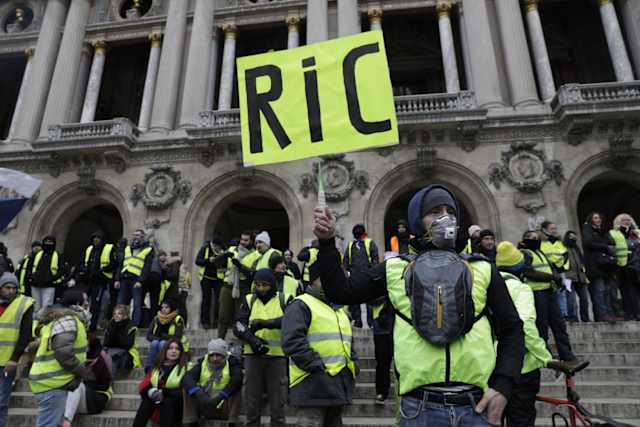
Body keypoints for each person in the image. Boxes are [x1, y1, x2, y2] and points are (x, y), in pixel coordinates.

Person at [313, 185, 525, 426]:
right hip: (419, 408)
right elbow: (341, 291)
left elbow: (512, 328)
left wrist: (503, 386)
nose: (445, 218)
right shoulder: (395, 268)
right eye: (435, 211)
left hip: (476, 406)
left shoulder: (482, 268)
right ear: (417, 221)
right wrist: (328, 242)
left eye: (450, 211)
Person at [282, 260, 358, 426]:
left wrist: (354, 365)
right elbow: (292, 342)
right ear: (314, 280)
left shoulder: (339, 309)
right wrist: (318, 367)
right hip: (312, 387)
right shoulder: (300, 304)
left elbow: (348, 345)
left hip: (337, 388)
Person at [495, 242, 553, 427]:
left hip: (489, 366)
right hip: (521, 367)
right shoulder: (520, 289)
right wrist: (543, 355)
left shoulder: (485, 286)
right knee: (521, 418)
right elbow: (525, 325)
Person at [29, 289, 92, 427]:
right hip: (52, 382)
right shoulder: (69, 320)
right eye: (85, 300)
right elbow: (63, 351)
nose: (87, 303)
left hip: (50, 381)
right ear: (77, 303)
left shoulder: (62, 320)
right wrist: (81, 371)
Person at [234, 268, 287, 427]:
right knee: (251, 400)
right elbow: (238, 325)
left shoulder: (283, 299)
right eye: (258, 285)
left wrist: (266, 324)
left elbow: (291, 320)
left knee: (278, 402)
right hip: (253, 355)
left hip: (277, 357)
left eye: (265, 285)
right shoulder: (249, 299)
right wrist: (252, 339)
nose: (261, 289)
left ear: (272, 285)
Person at [519, 230, 580, 367]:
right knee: (542, 327)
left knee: (559, 324)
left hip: (549, 291)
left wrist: (557, 279)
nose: (536, 240)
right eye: (532, 238)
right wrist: (551, 277)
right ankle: (545, 357)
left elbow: (549, 269)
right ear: (525, 240)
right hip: (536, 293)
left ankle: (567, 355)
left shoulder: (540, 252)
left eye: (537, 237)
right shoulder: (525, 253)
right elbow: (529, 272)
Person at [182, 339, 243, 423]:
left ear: (224, 355)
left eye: (218, 355)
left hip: (223, 406)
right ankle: (191, 421)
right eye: (212, 355)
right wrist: (199, 394)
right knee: (188, 387)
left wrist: (221, 396)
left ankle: (232, 422)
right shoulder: (202, 363)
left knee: (236, 388)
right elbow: (187, 378)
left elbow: (237, 379)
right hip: (204, 403)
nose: (214, 358)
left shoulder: (232, 363)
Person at [0, 272, 33, 427]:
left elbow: (25, 335)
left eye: (14, 288)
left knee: (2, 401)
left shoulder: (24, 304)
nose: (11, 291)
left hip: (8, 362)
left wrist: (14, 358)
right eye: (7, 287)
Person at [133, 338, 190, 427]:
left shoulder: (187, 368)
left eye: (177, 349)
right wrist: (151, 392)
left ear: (181, 352)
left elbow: (184, 392)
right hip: (159, 405)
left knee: (168, 402)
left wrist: (164, 392)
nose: (173, 351)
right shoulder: (157, 367)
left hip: (178, 408)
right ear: (165, 351)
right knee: (147, 402)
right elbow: (144, 386)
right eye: (170, 348)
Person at [62, 338, 113, 427]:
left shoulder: (102, 360)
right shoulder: (75, 358)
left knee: (76, 385)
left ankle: (67, 421)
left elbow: (105, 385)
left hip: (95, 401)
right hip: (76, 400)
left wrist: (84, 382)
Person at [218, 231, 258, 340]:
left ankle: (240, 342)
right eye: (242, 239)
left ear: (251, 241)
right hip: (228, 285)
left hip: (243, 287)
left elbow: (252, 274)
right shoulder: (232, 250)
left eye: (246, 240)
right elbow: (218, 264)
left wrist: (240, 266)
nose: (243, 242)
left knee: (240, 318)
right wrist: (223, 256)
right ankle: (220, 340)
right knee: (223, 316)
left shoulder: (255, 255)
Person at [581, 212, 618, 322]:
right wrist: (606, 247)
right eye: (596, 218)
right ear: (591, 219)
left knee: (607, 291)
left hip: (606, 266)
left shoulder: (602, 231)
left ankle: (610, 314)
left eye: (599, 217)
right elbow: (588, 243)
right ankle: (602, 315)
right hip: (595, 266)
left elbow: (611, 243)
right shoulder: (587, 229)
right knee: (599, 291)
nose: (598, 219)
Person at [115, 229, 155, 327]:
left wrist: (141, 280)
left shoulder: (148, 249)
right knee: (120, 302)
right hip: (125, 277)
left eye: (138, 235)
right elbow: (121, 265)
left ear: (142, 237)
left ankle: (134, 324)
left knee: (137, 303)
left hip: (136, 279)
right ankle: (118, 322)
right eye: (134, 235)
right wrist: (117, 279)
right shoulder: (128, 248)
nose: (135, 237)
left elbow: (147, 267)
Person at [79, 231, 116, 332]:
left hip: (101, 281)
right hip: (88, 281)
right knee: (84, 303)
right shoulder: (89, 249)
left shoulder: (109, 248)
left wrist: (103, 269)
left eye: (98, 238)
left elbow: (114, 263)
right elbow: (82, 262)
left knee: (96, 305)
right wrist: (83, 270)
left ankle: (93, 326)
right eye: (94, 238)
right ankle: (83, 324)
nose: (96, 240)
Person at [343, 224, 379, 328]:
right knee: (356, 301)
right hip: (355, 276)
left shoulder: (369, 243)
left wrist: (373, 272)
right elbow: (345, 261)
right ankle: (358, 321)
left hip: (367, 276)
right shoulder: (351, 245)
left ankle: (370, 322)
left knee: (369, 300)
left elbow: (374, 258)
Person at [610, 213, 640, 320]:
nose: (627, 221)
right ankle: (631, 313)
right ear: (618, 222)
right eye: (623, 220)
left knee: (635, 290)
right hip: (623, 266)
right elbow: (611, 248)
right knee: (626, 291)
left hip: (637, 265)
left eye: (628, 219)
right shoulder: (613, 233)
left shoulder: (637, 232)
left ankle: (637, 312)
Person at [540, 221, 571, 319]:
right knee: (553, 293)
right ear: (545, 230)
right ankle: (555, 315)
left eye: (555, 228)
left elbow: (565, 254)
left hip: (561, 270)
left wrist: (561, 266)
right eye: (551, 229)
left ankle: (564, 314)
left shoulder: (559, 241)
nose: (554, 231)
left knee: (562, 292)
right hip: (549, 271)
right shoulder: (542, 243)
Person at [146, 299, 187, 371]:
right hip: (158, 340)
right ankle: (149, 368)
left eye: (166, 307)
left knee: (162, 344)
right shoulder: (156, 318)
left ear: (171, 308)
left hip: (172, 342)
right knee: (154, 343)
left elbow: (178, 336)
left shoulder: (177, 319)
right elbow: (148, 335)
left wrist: (164, 337)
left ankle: (160, 367)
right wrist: (157, 338)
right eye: (162, 307)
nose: (163, 310)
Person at [195, 237, 227, 329]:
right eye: (216, 246)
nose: (217, 249)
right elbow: (197, 261)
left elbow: (226, 263)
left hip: (218, 278)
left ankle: (217, 321)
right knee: (206, 300)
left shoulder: (223, 249)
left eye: (219, 247)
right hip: (206, 278)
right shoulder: (205, 247)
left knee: (219, 300)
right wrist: (208, 260)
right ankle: (205, 322)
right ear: (213, 244)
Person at [30, 235, 66, 314]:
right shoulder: (38, 255)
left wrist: (52, 279)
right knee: (35, 308)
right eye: (46, 241)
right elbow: (30, 267)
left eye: (50, 242)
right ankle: (34, 325)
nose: (48, 243)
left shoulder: (58, 255)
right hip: (35, 284)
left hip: (49, 286)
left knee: (46, 309)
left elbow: (62, 270)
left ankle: (43, 325)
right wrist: (32, 277)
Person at [103, 304, 141, 375]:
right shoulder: (111, 325)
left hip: (127, 353)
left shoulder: (131, 326)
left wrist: (117, 328)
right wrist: (114, 329)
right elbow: (106, 343)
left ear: (125, 316)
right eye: (114, 314)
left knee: (113, 358)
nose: (116, 316)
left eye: (119, 314)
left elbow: (127, 345)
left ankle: (107, 383)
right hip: (111, 351)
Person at [563, 231, 591, 322]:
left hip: (580, 276)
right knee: (571, 300)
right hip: (568, 277)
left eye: (574, 236)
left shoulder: (576, 248)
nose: (573, 238)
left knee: (584, 299)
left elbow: (581, 261)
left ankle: (585, 317)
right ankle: (573, 317)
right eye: (571, 236)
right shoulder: (563, 248)